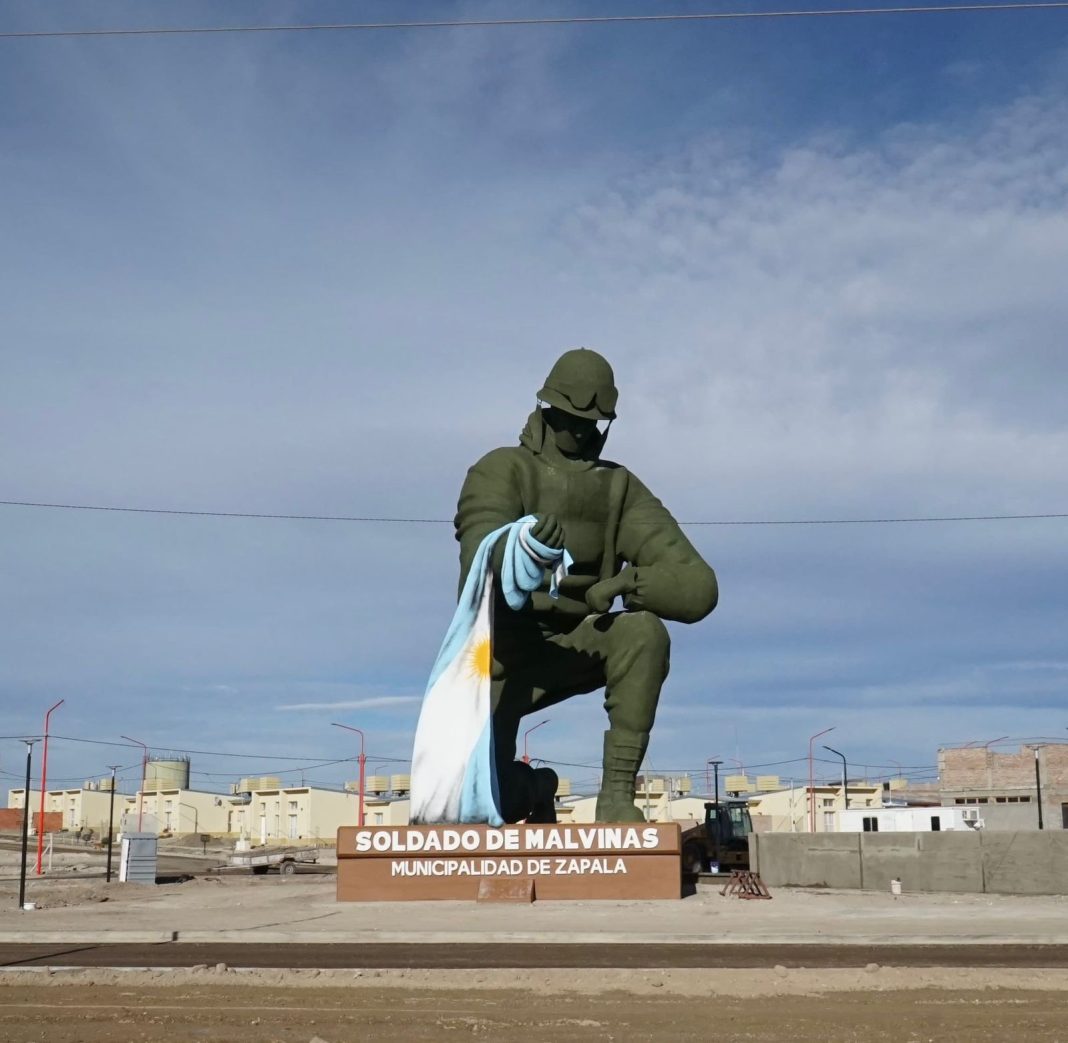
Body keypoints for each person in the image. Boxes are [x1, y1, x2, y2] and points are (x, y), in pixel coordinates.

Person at [454, 348, 718, 823]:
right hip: (501, 655)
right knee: (480, 805)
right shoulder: (500, 470)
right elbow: (479, 561)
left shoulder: (619, 488)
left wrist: (624, 583)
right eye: (569, 418)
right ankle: (536, 787)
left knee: (643, 633)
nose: (580, 430)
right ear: (546, 410)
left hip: (579, 644)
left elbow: (698, 588)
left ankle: (616, 796)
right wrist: (525, 551)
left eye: (591, 422)